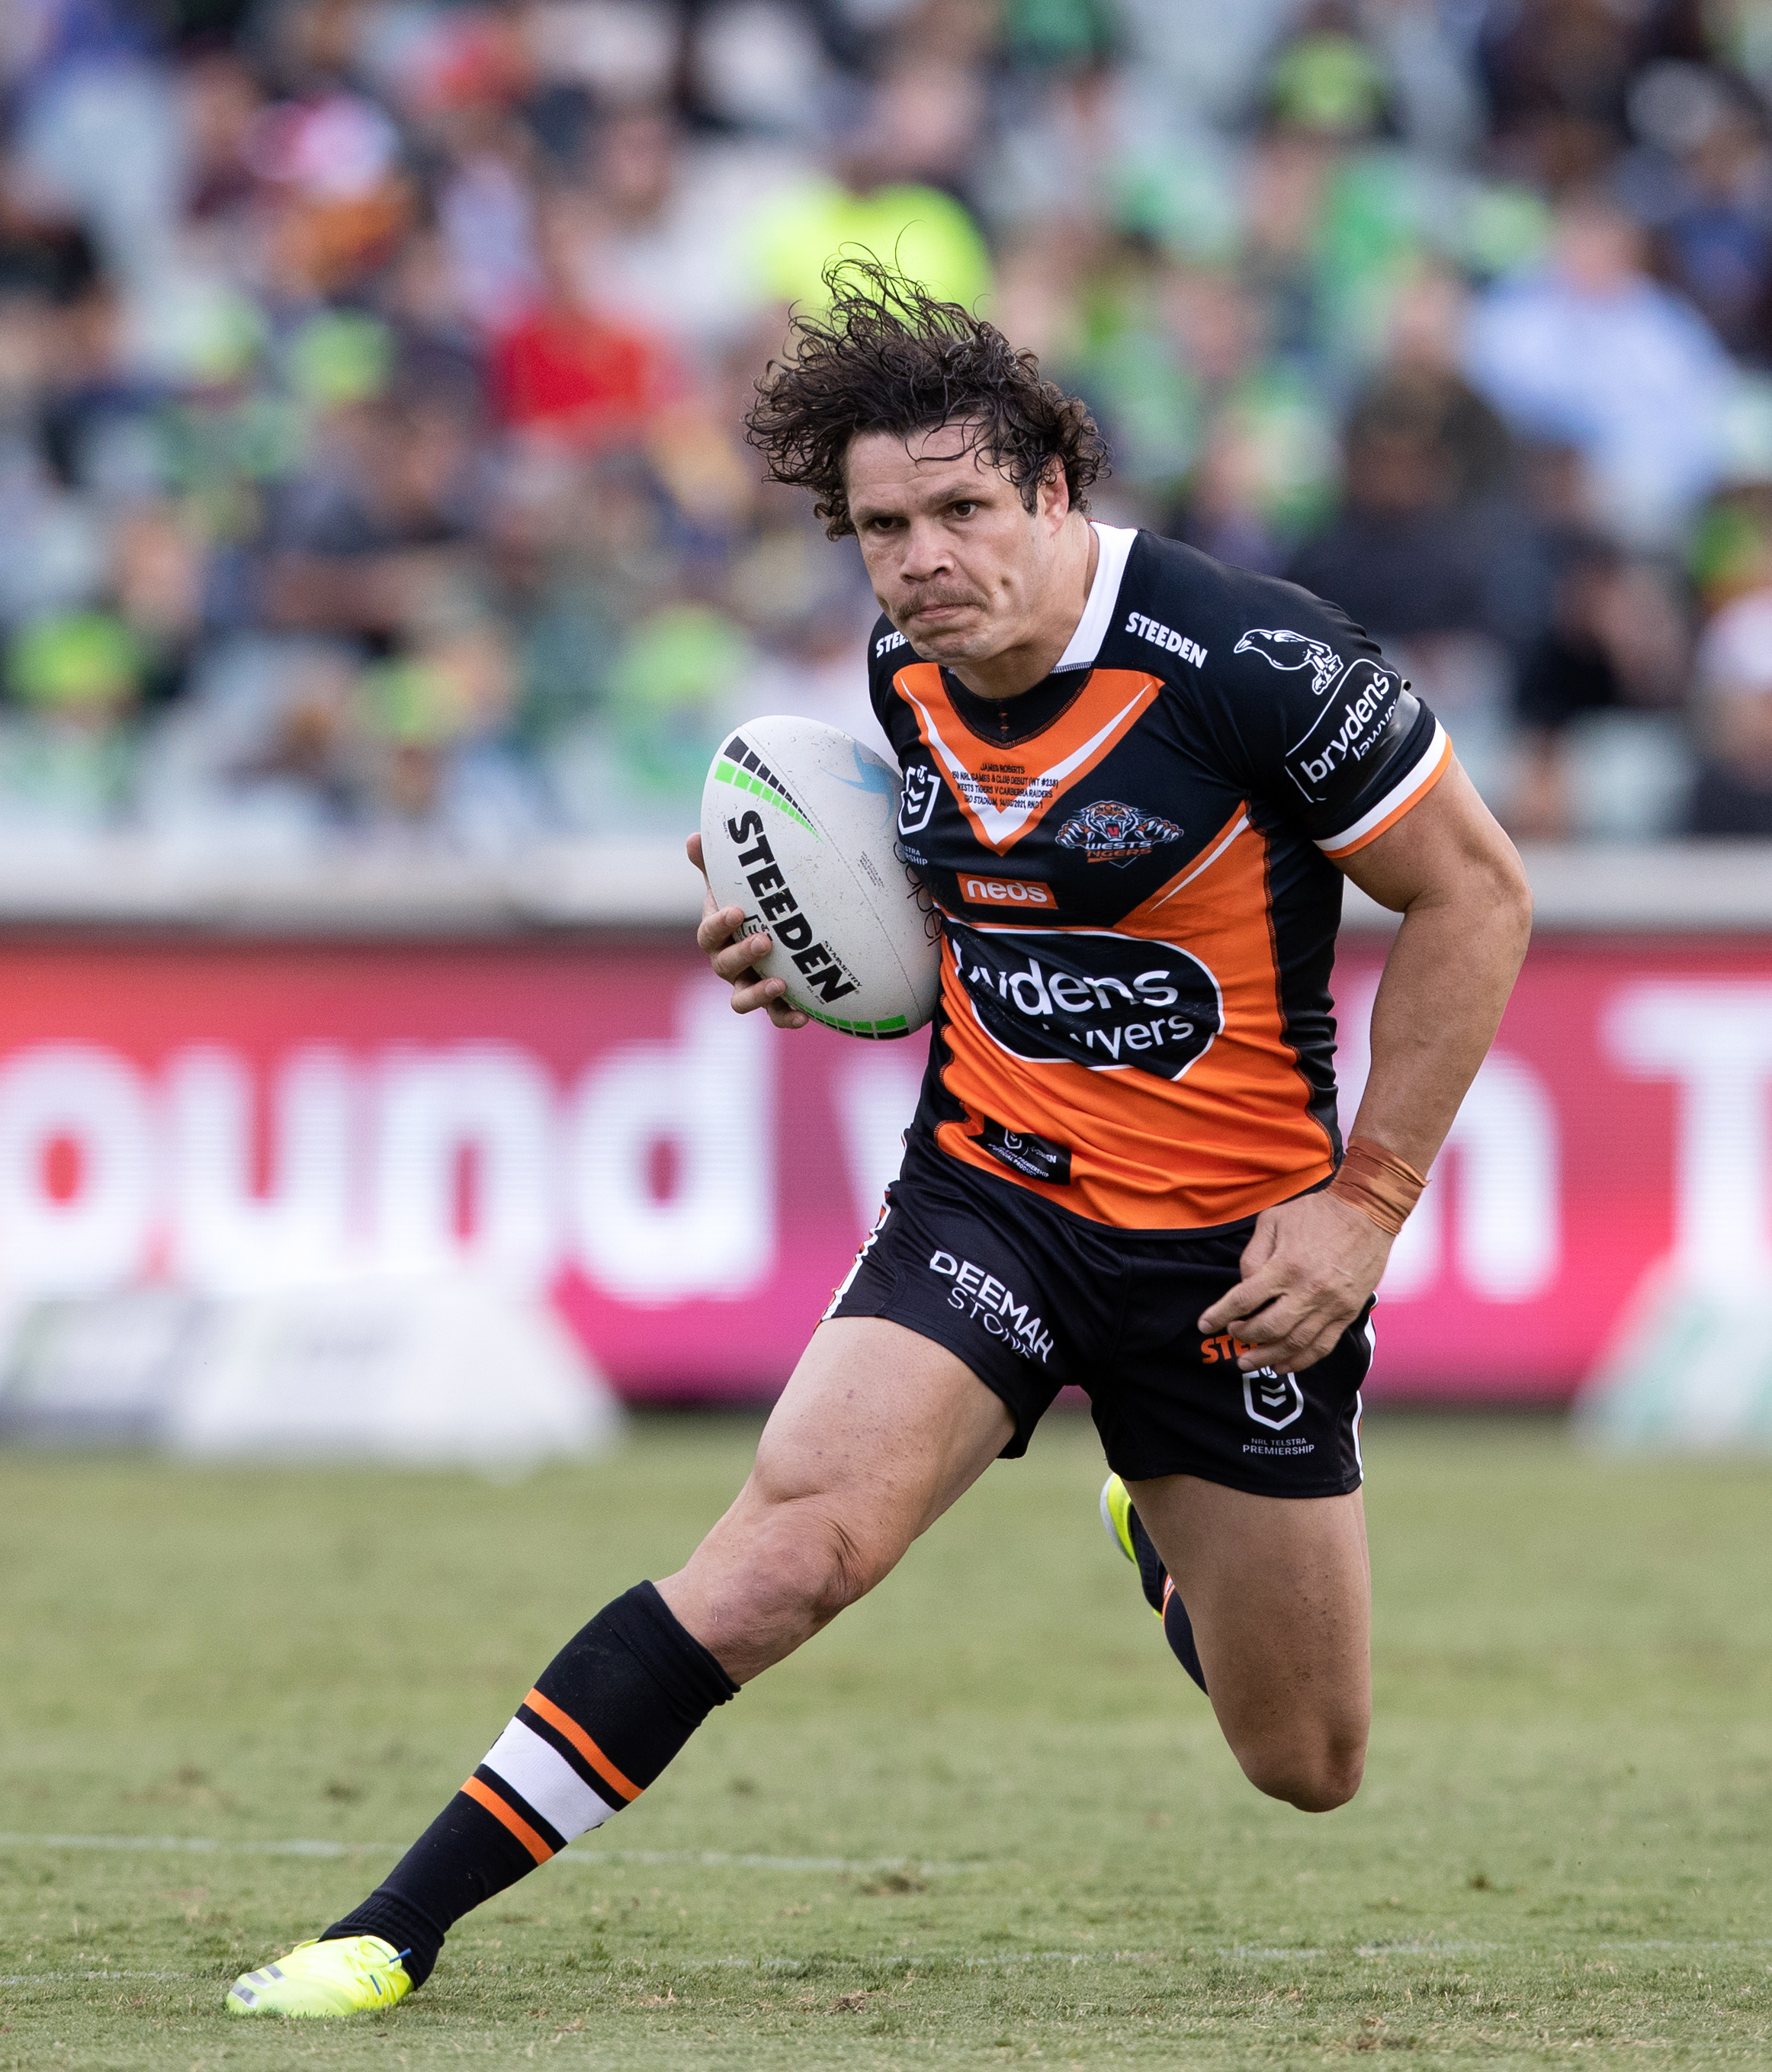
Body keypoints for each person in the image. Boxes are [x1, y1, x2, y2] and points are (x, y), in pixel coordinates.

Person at [224, 256, 1533, 2019]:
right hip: (990, 1200)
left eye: (964, 511)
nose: (921, 559)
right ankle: (387, 1930)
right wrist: (804, 929)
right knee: (784, 1561)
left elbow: (1478, 895)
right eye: (880, 526)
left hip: (1233, 1264)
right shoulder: (903, 671)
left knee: (1306, 1759)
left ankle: (1151, 1526)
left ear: (1055, 492)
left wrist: (1366, 1201)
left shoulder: (1251, 660)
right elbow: (970, 906)